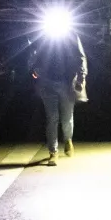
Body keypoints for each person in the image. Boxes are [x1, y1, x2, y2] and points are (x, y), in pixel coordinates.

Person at [30, 27, 87, 166]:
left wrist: (81, 76)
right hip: (47, 83)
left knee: (67, 118)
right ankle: (53, 152)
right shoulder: (43, 34)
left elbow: (80, 56)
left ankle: (68, 140)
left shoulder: (71, 34)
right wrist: (34, 69)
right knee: (52, 117)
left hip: (67, 82)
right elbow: (33, 53)